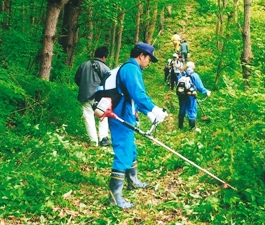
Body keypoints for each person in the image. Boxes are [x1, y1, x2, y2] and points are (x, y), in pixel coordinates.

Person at [108, 42, 168, 208]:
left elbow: (132, 96)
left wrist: (148, 112)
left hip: (126, 114)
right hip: (119, 115)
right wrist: (154, 109)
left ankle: (133, 181)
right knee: (123, 152)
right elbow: (138, 93)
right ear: (141, 55)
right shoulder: (131, 69)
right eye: (149, 59)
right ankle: (114, 197)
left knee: (131, 149)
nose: (149, 62)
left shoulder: (131, 68)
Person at [75, 46, 112, 147]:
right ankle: (103, 138)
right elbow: (109, 84)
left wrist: (84, 87)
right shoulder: (106, 68)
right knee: (103, 116)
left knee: (88, 117)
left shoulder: (83, 65)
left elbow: (77, 79)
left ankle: (94, 142)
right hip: (100, 97)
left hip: (85, 95)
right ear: (104, 57)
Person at [177, 61, 211, 131]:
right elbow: (200, 87)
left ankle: (180, 126)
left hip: (182, 95)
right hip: (191, 95)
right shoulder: (194, 75)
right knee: (191, 109)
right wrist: (206, 92)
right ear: (192, 67)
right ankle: (192, 127)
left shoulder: (181, 74)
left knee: (182, 109)